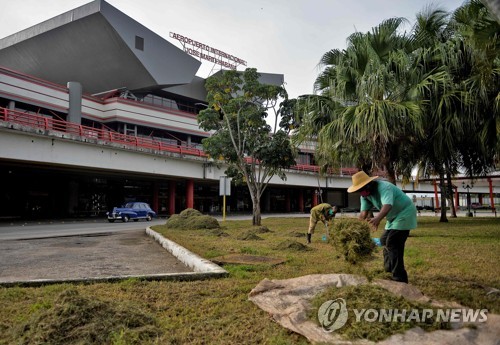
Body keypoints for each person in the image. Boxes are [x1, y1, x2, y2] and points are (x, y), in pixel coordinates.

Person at [347, 171, 417, 283]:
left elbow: (387, 205)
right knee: (384, 240)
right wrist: (354, 229)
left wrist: (377, 219)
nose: (361, 193)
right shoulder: (365, 195)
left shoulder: (384, 187)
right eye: (359, 191)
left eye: (362, 189)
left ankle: (399, 277)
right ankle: (388, 270)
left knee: (393, 243)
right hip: (393, 218)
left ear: (368, 185)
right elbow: (363, 213)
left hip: (404, 212)